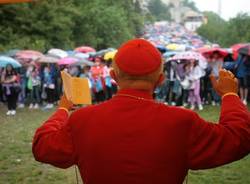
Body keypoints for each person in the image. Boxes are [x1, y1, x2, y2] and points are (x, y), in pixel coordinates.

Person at [32, 39, 250, 184]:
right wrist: (230, 95)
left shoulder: (82, 120)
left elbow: (42, 147)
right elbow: (239, 138)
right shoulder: (182, 121)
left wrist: (62, 109)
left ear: (114, 77)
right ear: (161, 80)